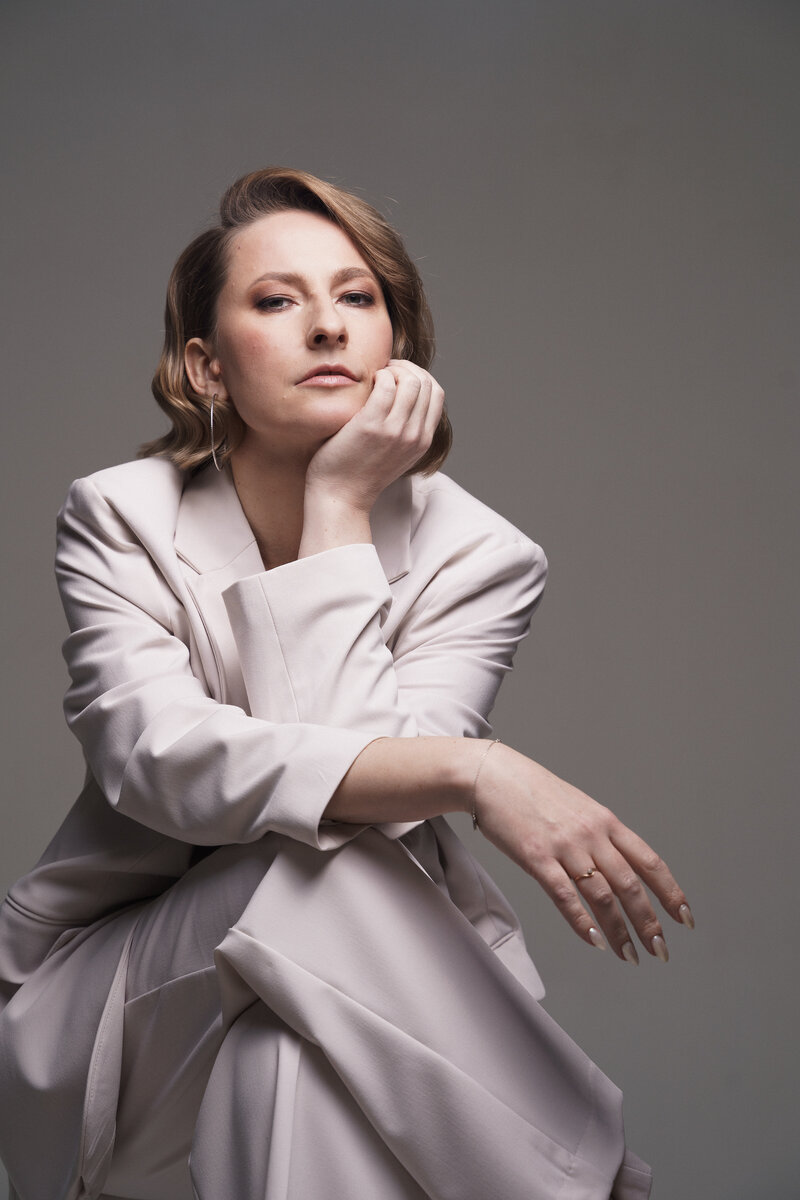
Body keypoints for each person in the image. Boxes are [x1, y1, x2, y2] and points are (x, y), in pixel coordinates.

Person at [0, 167, 692, 1200]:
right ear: (206, 368)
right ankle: (578, 1173)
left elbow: (381, 820)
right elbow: (160, 762)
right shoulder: (121, 516)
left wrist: (337, 509)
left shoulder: (481, 556)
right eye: (277, 300)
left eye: (357, 298)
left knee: (285, 1054)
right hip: (119, 1013)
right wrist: (476, 770)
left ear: (395, 348)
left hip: (343, 994)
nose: (327, 325)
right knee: (305, 878)